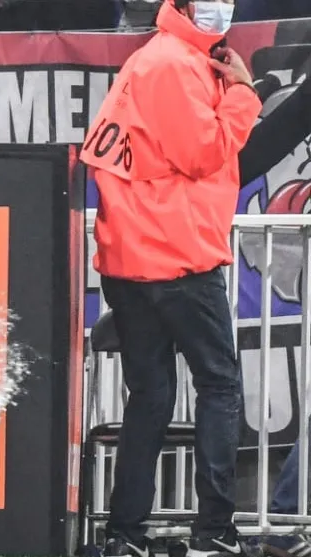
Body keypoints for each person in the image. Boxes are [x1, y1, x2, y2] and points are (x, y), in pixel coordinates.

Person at [79, 1, 262, 557]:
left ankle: (125, 535)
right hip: (177, 258)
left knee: (151, 397)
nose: (223, 4)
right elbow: (203, 153)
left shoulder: (156, 59)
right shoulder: (174, 64)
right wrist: (243, 93)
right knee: (219, 387)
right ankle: (213, 534)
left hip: (132, 259)